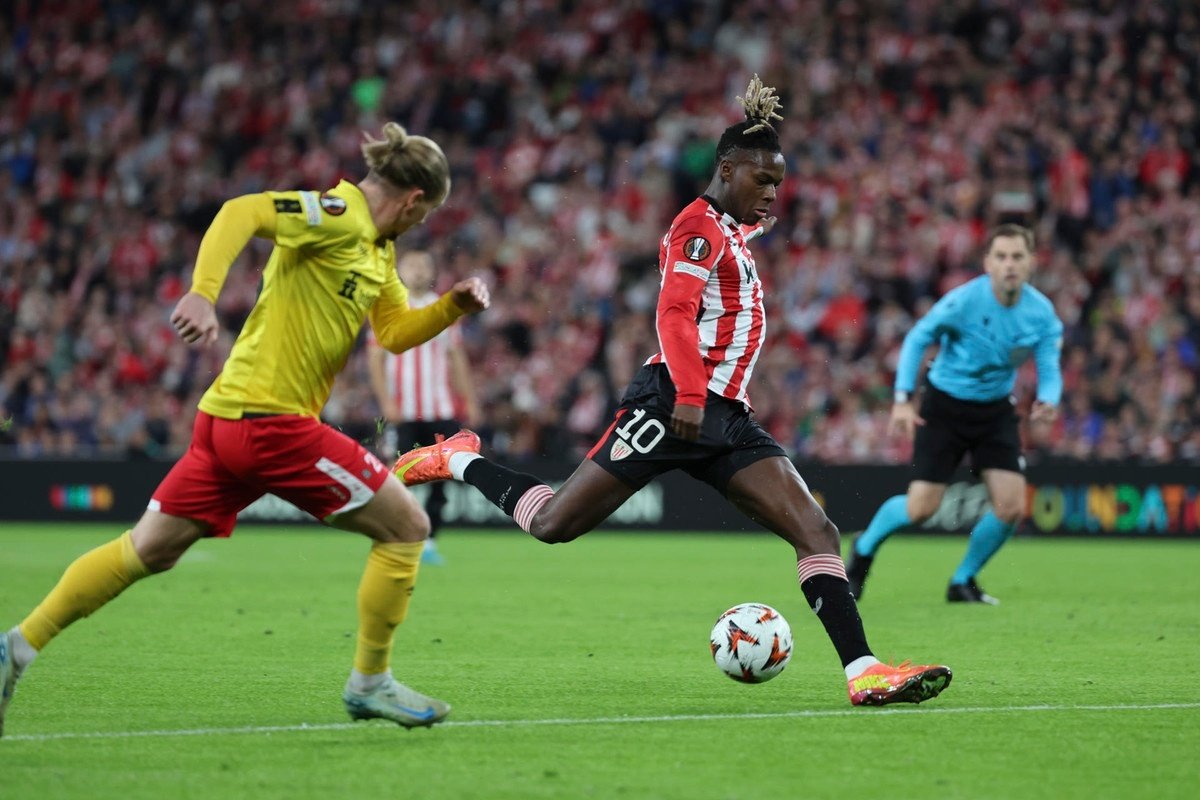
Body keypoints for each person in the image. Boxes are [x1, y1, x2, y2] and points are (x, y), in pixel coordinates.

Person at [393, 77, 952, 707]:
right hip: (672, 406)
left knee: (817, 532)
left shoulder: (731, 228)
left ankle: (863, 672)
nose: (772, 194)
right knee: (553, 525)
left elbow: (727, 261)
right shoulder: (697, 227)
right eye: (762, 180)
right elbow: (675, 314)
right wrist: (688, 394)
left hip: (728, 419)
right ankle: (458, 458)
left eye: (779, 183)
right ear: (725, 170)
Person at [0, 122, 490, 737]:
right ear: (415, 200)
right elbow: (242, 211)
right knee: (407, 528)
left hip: (226, 420)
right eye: (427, 215)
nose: (421, 227)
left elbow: (393, 332)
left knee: (147, 549)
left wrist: (450, 307)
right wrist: (203, 295)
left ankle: (15, 649)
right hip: (271, 423)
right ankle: (370, 683)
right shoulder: (338, 214)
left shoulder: (379, 250)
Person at [845, 223, 1063, 604]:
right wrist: (902, 398)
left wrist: (1048, 397)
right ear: (988, 263)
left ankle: (962, 581)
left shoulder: (1041, 314)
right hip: (945, 406)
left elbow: (1049, 363)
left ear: (1031, 263)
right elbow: (917, 338)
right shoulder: (964, 301)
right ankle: (864, 548)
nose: (1009, 264)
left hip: (995, 411)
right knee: (921, 508)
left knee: (1011, 507)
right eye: (1001, 256)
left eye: (1017, 256)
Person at [367, 249, 480, 566]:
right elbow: (376, 358)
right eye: (412, 265)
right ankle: (396, 534)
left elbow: (456, 358)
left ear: (432, 271)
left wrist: (468, 398)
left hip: (439, 408)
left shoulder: (445, 308)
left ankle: (428, 540)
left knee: (441, 477)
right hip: (403, 410)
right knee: (398, 473)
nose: (417, 270)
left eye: (424, 265)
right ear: (400, 270)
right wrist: (387, 401)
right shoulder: (390, 307)